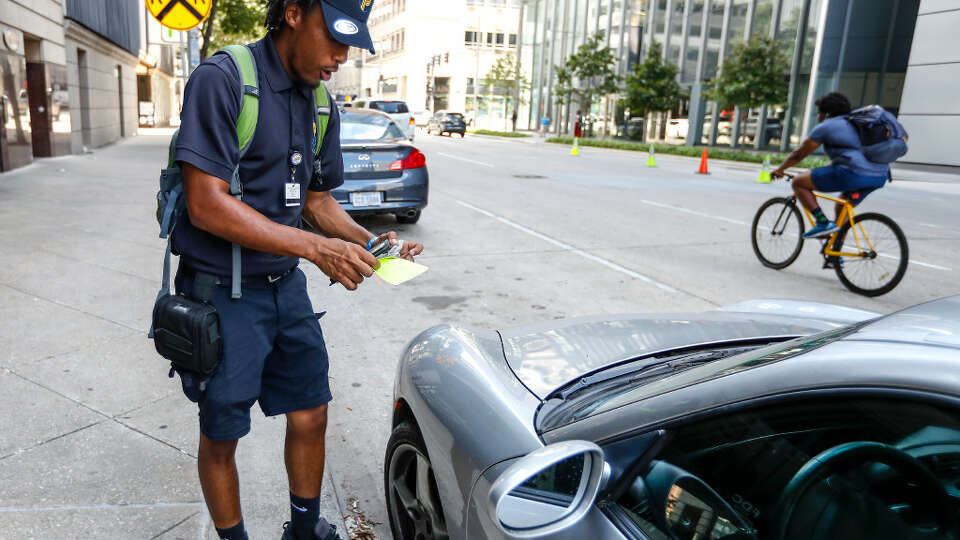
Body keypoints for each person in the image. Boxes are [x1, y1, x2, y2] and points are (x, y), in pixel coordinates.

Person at [171, 1, 423, 539]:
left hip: (286, 288)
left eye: (351, 45)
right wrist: (315, 249)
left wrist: (369, 243)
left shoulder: (320, 103)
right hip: (224, 292)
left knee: (311, 412)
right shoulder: (223, 79)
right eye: (333, 38)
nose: (341, 56)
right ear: (292, 14)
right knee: (222, 433)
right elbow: (204, 203)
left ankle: (304, 533)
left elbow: (317, 200)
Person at [771, 92, 890, 240]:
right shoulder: (857, 124)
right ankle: (836, 255)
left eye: (819, 113)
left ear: (826, 113)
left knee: (799, 183)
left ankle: (822, 223)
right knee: (842, 210)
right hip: (880, 175)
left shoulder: (826, 126)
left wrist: (780, 169)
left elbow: (799, 154)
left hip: (853, 173)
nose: (818, 117)